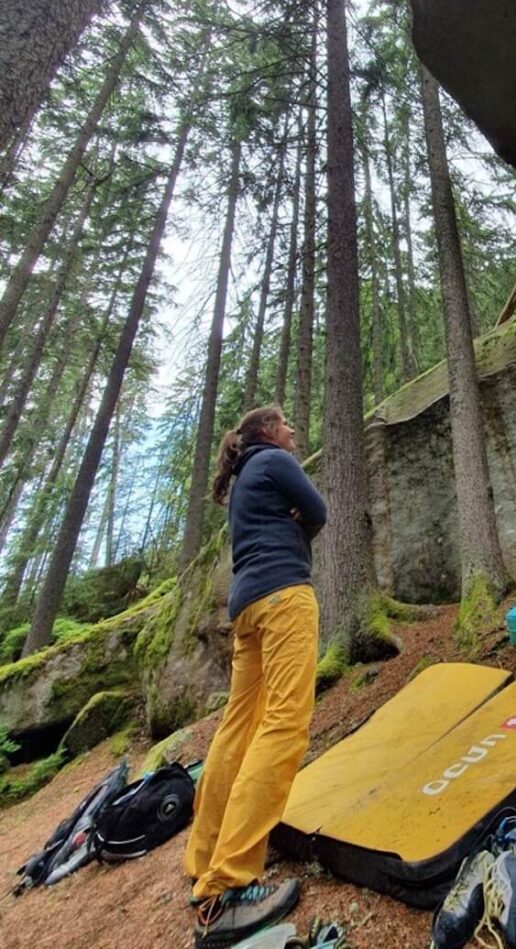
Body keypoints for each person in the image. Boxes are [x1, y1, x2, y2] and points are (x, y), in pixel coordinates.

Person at [184, 404, 327, 948]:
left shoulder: (245, 476)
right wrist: (302, 523)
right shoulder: (275, 460)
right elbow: (318, 511)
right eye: (287, 422)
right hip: (285, 597)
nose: (293, 429)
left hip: (244, 609)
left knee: (237, 728)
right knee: (286, 724)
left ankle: (202, 857)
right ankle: (226, 886)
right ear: (268, 431)